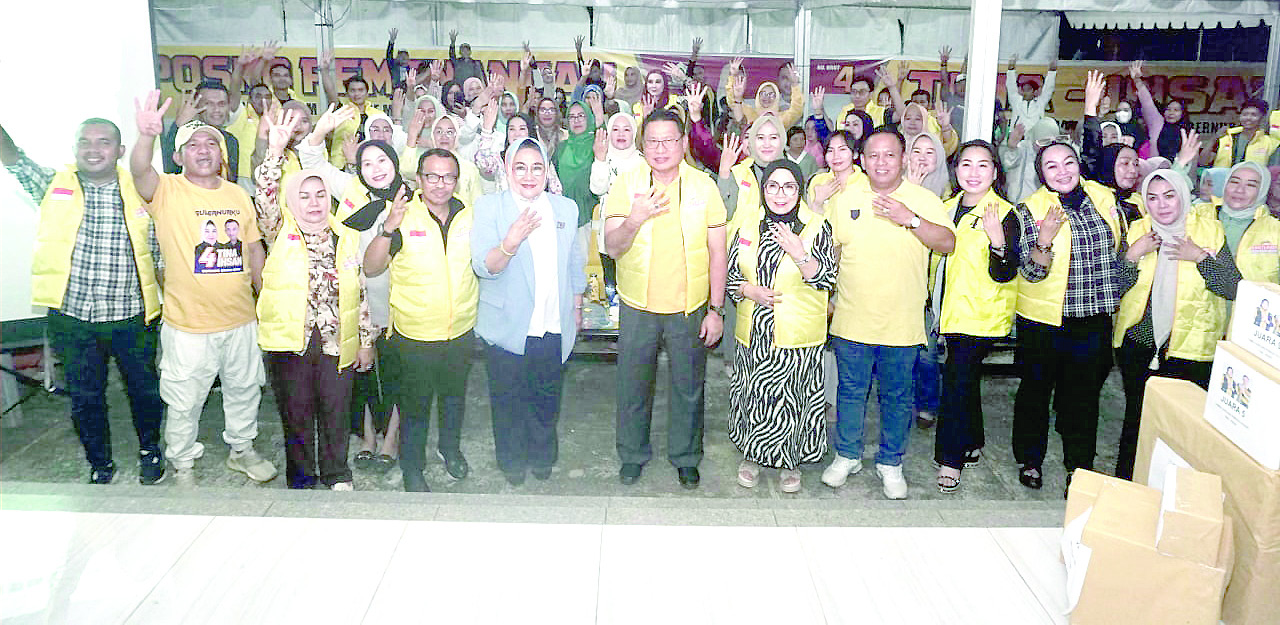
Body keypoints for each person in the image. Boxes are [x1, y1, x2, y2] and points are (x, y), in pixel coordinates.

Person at [2, 120, 165, 485]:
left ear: (120, 151)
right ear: (75, 148)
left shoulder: (141, 190)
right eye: (85, 142)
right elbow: (13, 159)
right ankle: (100, 461)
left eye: (104, 142)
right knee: (85, 397)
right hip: (73, 318)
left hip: (131, 317)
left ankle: (150, 451)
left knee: (144, 392)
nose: (93, 149)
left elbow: (159, 251)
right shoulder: (54, 184)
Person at [130, 90, 275, 487]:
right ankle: (183, 464)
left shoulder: (237, 196)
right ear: (178, 157)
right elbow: (140, 170)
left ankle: (242, 450)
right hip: (188, 326)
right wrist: (145, 136)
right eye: (192, 144)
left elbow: (252, 249)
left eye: (211, 141)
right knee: (184, 400)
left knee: (245, 390)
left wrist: (264, 300)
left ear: (222, 153)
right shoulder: (167, 190)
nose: (203, 149)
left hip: (241, 319)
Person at [820, 128, 956, 500]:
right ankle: (846, 455)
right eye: (873, 155)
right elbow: (829, 252)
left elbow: (948, 242)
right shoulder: (846, 197)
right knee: (850, 393)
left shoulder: (922, 199)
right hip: (852, 318)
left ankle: (890, 462)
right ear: (862, 160)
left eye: (890, 155)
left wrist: (909, 219)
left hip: (902, 324)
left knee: (897, 397)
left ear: (904, 159)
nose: (881, 162)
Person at [253, 109, 377, 490]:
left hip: (336, 340)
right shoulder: (279, 231)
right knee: (297, 414)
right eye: (304, 195)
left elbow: (359, 292)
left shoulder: (345, 235)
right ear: (292, 201)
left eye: (321, 194)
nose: (313, 202)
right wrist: (274, 153)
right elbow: (266, 197)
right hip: (290, 342)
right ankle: (303, 478)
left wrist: (367, 341)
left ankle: (337, 472)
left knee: (337, 412)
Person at [604, 109, 728, 489]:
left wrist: (716, 310)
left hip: (688, 308)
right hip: (637, 306)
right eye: (652, 141)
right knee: (632, 386)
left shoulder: (703, 186)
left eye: (668, 140)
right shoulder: (626, 184)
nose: (660, 149)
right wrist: (634, 218)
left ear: (682, 143)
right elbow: (611, 246)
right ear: (643, 145)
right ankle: (632, 454)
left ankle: (686, 456)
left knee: (689, 386)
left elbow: (717, 251)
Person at [1008, 141, 1126, 496]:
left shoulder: (1104, 198)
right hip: (1044, 320)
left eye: (1068, 162)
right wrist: (1043, 241)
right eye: (1051, 166)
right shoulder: (1029, 209)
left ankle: (1079, 465)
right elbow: (1029, 272)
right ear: (1040, 174)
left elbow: (1116, 250)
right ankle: (1030, 459)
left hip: (1093, 318)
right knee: (1035, 393)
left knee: (1084, 398)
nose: (1062, 172)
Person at [471, 138, 587, 485]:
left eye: (537, 167)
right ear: (508, 169)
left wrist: (577, 306)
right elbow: (483, 266)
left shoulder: (565, 208)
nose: (529, 175)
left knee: (546, 398)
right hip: (507, 325)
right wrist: (511, 241)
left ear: (547, 170)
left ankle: (542, 457)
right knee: (508, 401)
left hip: (554, 323)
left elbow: (574, 262)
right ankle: (511, 461)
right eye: (520, 167)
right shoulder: (490, 207)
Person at [1112, 170, 1240, 481]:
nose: (1162, 206)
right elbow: (1114, 288)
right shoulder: (1138, 231)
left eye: (1169, 196)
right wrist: (1131, 255)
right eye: (1152, 198)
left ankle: (1175, 502)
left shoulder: (1209, 232)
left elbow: (1233, 287)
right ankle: (1129, 493)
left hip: (1191, 351)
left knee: (1183, 433)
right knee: (1137, 424)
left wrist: (1199, 257)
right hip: (1139, 346)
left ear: (1183, 196)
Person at [363, 148, 478, 492]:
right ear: (419, 180)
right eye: (432, 176)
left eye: (448, 177)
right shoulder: (401, 215)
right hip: (413, 334)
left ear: (457, 181)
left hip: (459, 330)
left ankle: (450, 449)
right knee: (415, 407)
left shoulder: (469, 216)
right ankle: (413, 467)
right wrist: (387, 229)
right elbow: (371, 267)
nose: (440, 185)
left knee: (454, 399)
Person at [726, 160, 837, 493]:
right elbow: (731, 278)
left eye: (789, 186)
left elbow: (827, 278)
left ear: (799, 190)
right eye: (772, 186)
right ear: (763, 190)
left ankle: (791, 462)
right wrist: (749, 290)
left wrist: (800, 254)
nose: (780, 194)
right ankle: (752, 456)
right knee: (755, 395)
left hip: (798, 333)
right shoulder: (747, 224)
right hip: (754, 332)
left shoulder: (817, 226)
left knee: (793, 400)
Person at [932, 141, 1019, 493]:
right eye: (966, 164)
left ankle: (950, 459)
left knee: (955, 381)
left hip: (980, 313)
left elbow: (1007, 271)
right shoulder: (945, 208)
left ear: (995, 172)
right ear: (956, 171)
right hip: (949, 309)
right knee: (964, 379)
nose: (973, 172)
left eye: (983, 165)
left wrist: (998, 242)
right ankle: (972, 442)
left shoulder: (1003, 213)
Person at [590, 111, 644, 294]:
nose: (621, 134)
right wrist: (600, 159)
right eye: (615, 129)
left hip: (637, 236)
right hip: (609, 235)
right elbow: (597, 189)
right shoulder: (604, 157)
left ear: (634, 133)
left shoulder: (643, 163)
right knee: (612, 287)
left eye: (626, 129)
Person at [161, 82, 241, 184]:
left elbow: (231, 181)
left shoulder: (231, 141)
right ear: (196, 105)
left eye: (221, 104)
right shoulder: (184, 137)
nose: (216, 110)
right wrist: (178, 125)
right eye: (209, 104)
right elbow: (168, 169)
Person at [1215, 162, 1280, 283]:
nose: (1239, 190)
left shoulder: (1275, 231)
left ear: (1262, 191)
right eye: (1234, 182)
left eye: (1251, 185)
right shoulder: (1200, 217)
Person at [556, 98, 601, 265]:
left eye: (581, 115)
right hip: (564, 216)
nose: (577, 120)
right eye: (572, 117)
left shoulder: (597, 143)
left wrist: (600, 119)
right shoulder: (561, 148)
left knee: (587, 266)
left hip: (589, 215)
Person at [1130, 61, 1193, 162]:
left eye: (1176, 110)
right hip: (1156, 170)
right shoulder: (1157, 124)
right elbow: (1147, 102)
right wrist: (1137, 80)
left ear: (1183, 113)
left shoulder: (1188, 131)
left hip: (1179, 171)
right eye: (1168, 109)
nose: (1171, 113)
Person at [1203, 98, 1280, 168]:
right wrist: (1214, 139)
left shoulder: (1269, 143)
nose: (1248, 118)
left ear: (1262, 118)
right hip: (1221, 181)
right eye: (1245, 114)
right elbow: (1203, 162)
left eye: (1254, 115)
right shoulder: (1225, 137)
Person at [1005, 55, 1058, 132]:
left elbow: (1048, 89)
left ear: (1034, 92)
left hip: (1035, 135)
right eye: (1024, 89)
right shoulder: (1016, 101)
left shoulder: (1040, 102)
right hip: (1019, 136)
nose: (1026, 92)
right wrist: (1011, 69)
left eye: (1028, 89)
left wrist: (1052, 71)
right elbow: (1011, 87)